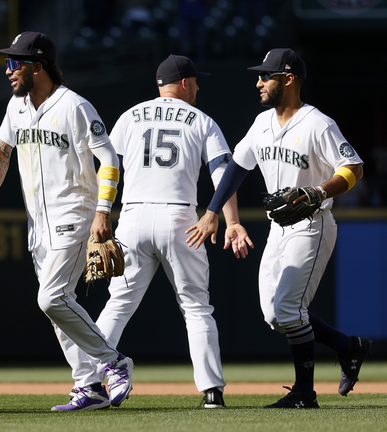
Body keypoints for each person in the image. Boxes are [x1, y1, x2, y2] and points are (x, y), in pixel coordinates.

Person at [63, 54, 253, 409]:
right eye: (195, 81)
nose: (198, 86)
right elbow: (222, 174)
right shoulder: (202, 120)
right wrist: (230, 220)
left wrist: (100, 213)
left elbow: (107, 167)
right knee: (196, 308)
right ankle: (212, 392)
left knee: (118, 305)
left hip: (132, 217)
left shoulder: (129, 117)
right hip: (182, 220)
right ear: (183, 82)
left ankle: (89, 383)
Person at [187, 48, 372, 408]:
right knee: (275, 315)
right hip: (278, 228)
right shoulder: (261, 124)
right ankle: (348, 346)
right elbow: (236, 170)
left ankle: (305, 393)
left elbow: (353, 168)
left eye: (266, 76)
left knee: (288, 309)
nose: (258, 82)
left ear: (288, 79)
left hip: (312, 225)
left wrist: (319, 191)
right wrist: (213, 212)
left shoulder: (318, 123)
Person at [0, 31, 134, 411]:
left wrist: (103, 211)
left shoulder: (75, 106)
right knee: (60, 311)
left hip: (76, 215)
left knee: (51, 298)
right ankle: (88, 387)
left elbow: (110, 160)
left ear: (37, 67)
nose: (7, 70)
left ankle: (114, 362)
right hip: (38, 224)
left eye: (14, 63)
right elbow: (1, 152)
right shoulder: (16, 107)